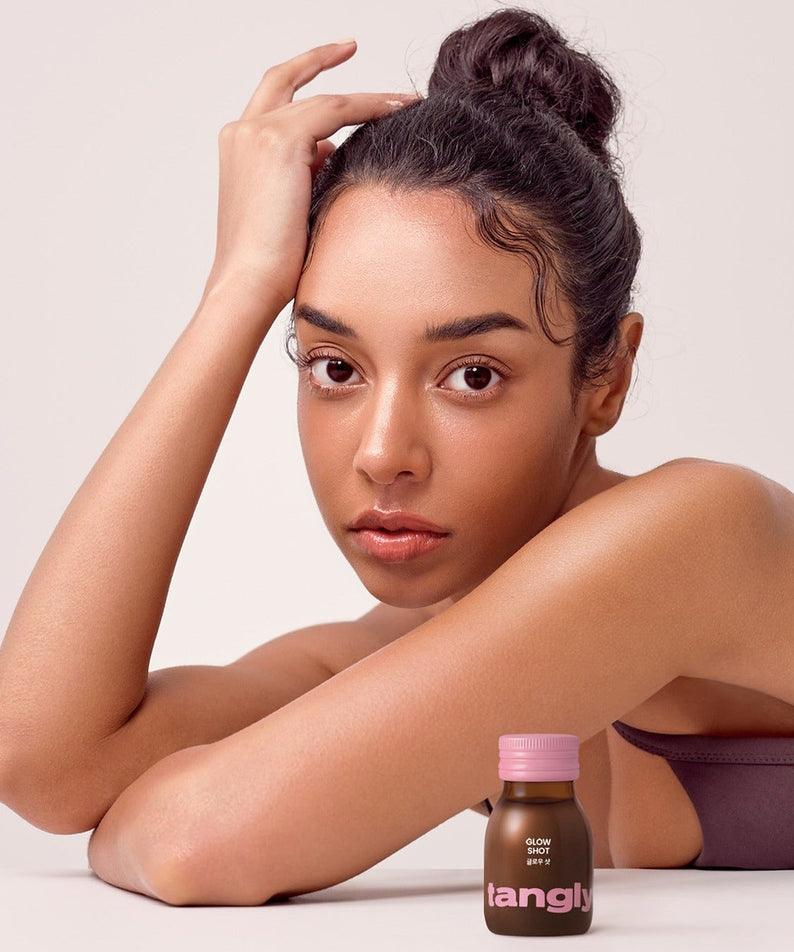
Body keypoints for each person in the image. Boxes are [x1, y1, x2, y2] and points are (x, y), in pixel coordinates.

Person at [1, 6, 793, 906]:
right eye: (335, 366)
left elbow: (194, 841)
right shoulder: (407, 653)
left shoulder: (703, 537)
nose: (383, 456)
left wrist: (184, 811)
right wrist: (238, 289)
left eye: (472, 376)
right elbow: (47, 764)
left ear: (605, 377)